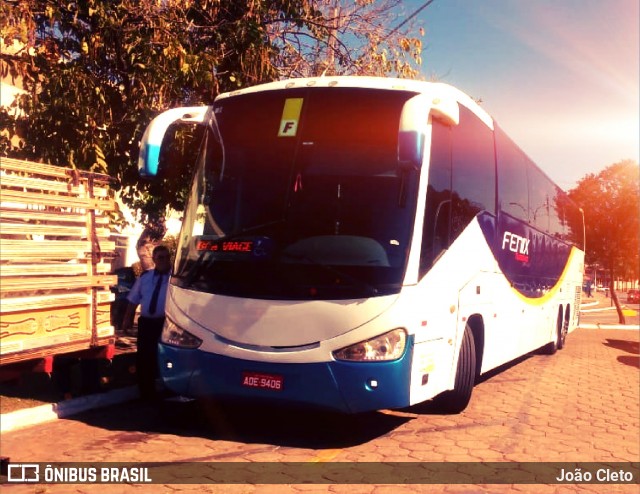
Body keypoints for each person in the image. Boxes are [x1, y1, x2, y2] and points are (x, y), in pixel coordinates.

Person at [121, 245, 171, 400]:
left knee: (164, 357)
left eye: (165, 257)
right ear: (154, 259)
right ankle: (146, 392)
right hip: (147, 323)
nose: (163, 260)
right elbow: (133, 299)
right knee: (144, 357)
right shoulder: (145, 277)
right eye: (159, 257)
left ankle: (167, 389)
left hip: (166, 324)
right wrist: (127, 319)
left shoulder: (176, 278)